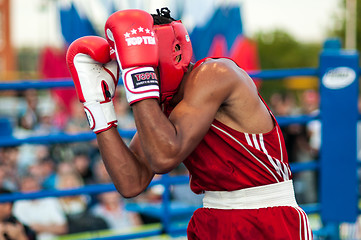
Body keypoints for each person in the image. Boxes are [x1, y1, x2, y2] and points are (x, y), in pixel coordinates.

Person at [66, 7, 312, 240]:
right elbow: (131, 182)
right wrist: (99, 108)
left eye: (144, 68)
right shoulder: (161, 107)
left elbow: (164, 158)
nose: (143, 77)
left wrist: (139, 77)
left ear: (174, 52)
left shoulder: (216, 74)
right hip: (213, 217)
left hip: (266, 216)